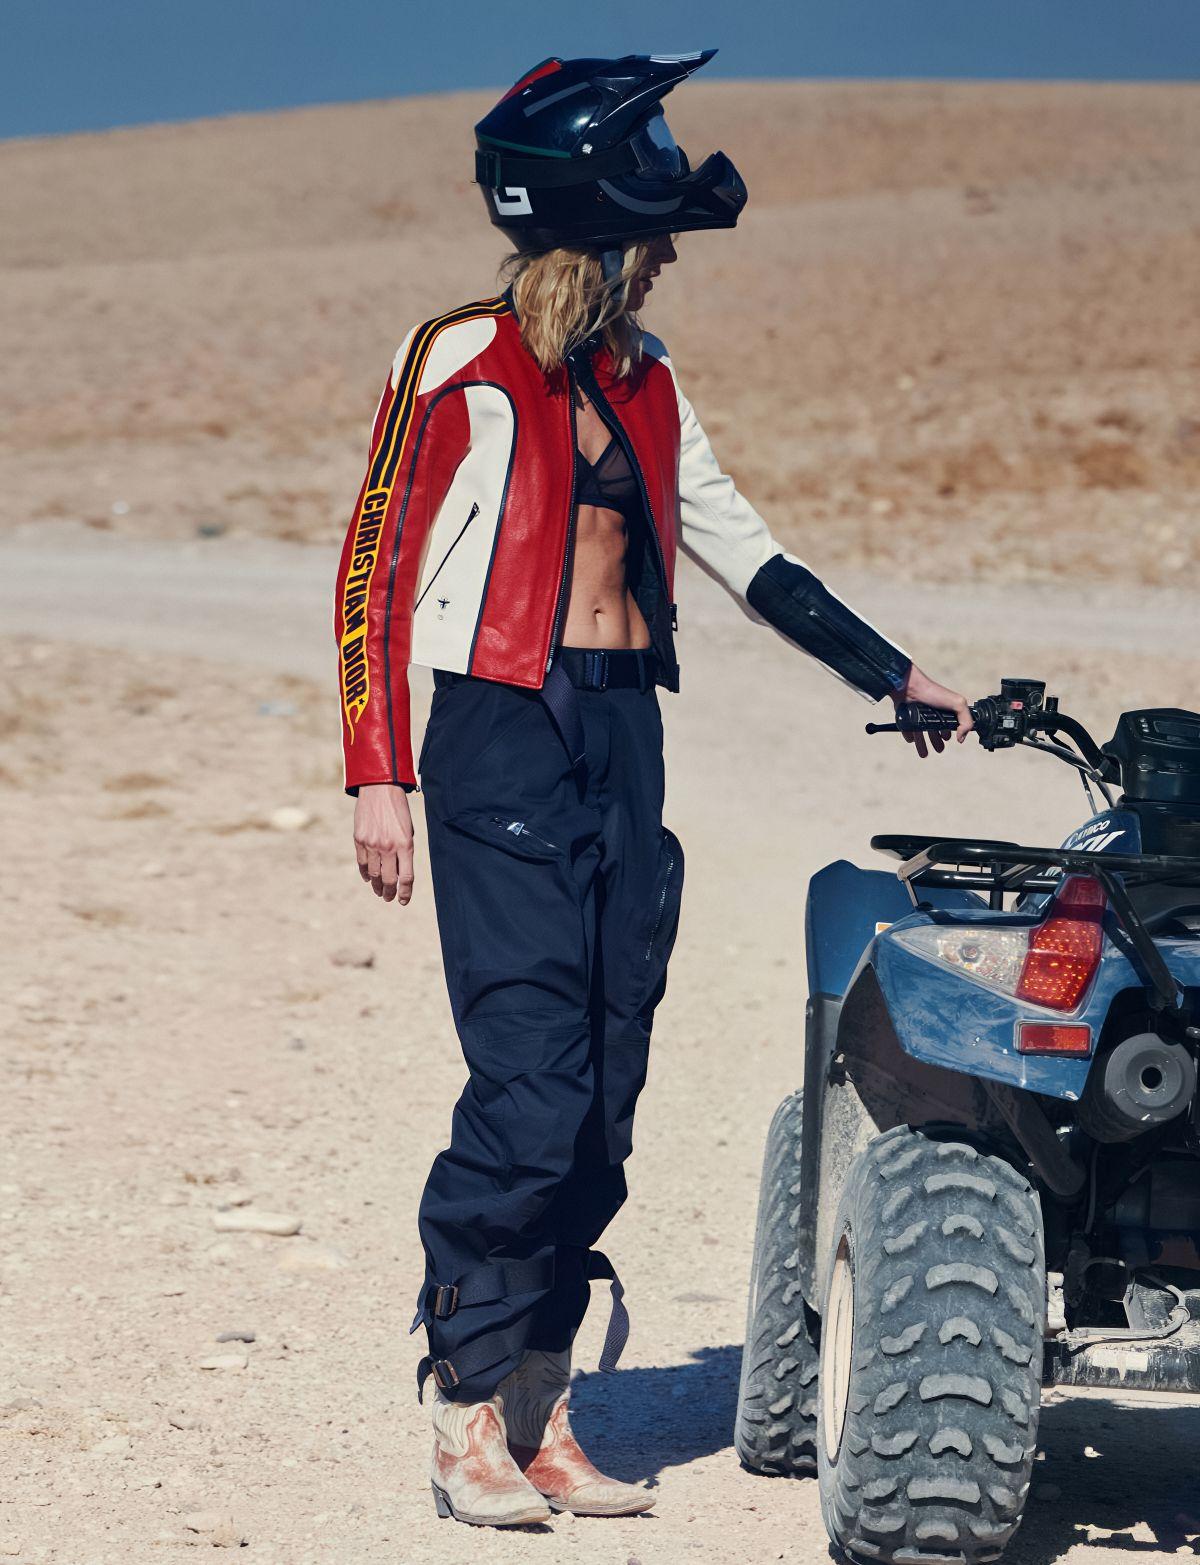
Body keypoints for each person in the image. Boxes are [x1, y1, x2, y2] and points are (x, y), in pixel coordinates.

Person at [333, 50, 973, 1530]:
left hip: (625, 736)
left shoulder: (648, 372)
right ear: (597, 228)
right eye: (656, 230)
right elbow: (371, 563)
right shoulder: (456, 358)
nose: (671, 254)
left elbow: (744, 550)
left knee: (607, 1094)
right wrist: (377, 773)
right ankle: (464, 1402)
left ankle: (542, 1404)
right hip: (498, 731)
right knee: (531, 1084)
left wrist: (890, 672)